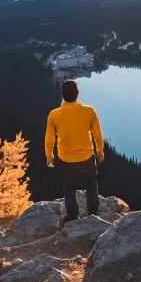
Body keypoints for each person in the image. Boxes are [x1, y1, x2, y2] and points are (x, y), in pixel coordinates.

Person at [45, 79, 104, 222]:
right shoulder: (89, 111)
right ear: (78, 93)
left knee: (69, 188)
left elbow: (49, 138)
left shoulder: (54, 114)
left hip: (65, 159)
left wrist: (49, 156)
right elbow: (97, 134)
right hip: (86, 157)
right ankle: (93, 213)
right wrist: (100, 150)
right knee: (91, 184)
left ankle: (72, 216)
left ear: (62, 94)